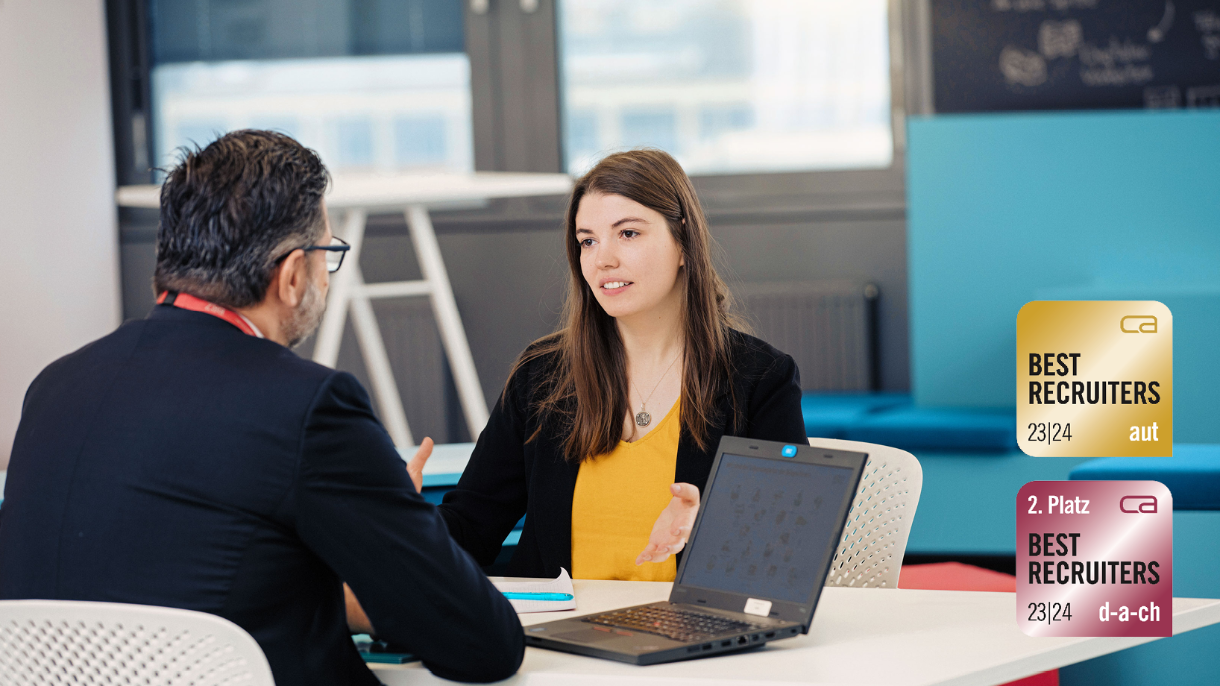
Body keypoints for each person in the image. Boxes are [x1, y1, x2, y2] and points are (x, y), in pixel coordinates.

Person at [0, 130, 523, 685]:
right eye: (328, 254)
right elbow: (481, 645)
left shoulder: (56, 386)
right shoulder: (309, 407)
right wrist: (397, 541)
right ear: (294, 275)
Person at [432, 149, 807, 582]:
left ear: (683, 242)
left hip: (692, 640)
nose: (601, 259)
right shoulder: (542, 377)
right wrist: (394, 517)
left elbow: (790, 548)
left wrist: (712, 530)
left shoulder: (759, 379)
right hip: (558, 638)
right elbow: (471, 527)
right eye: (587, 240)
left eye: (627, 234)